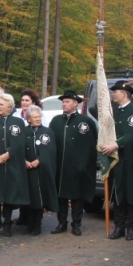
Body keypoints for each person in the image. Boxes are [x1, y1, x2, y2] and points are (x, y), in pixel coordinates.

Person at [49, 90, 98, 236]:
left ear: (76, 103)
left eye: (67, 101)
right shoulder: (56, 121)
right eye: (63, 102)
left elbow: (91, 145)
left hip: (78, 166)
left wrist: (84, 164)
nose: (64, 104)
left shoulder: (86, 122)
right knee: (61, 196)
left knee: (77, 197)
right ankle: (61, 222)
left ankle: (76, 224)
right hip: (60, 166)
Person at [0, 93, 29, 237]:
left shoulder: (18, 122)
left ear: (10, 106)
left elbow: (18, 143)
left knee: (9, 195)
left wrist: (7, 154)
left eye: (2, 104)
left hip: (12, 164)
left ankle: (7, 224)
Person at [104, 81, 133, 241]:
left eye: (116, 91)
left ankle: (131, 227)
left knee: (131, 192)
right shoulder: (113, 112)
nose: (113, 94)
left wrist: (115, 144)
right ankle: (119, 226)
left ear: (124, 93)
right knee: (118, 193)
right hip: (115, 159)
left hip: (131, 158)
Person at [22, 105, 58, 235]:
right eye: (35, 117)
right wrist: (24, 161)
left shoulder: (47, 132)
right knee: (29, 197)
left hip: (41, 170)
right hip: (27, 169)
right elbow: (18, 149)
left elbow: (50, 149)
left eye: (39, 116)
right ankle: (29, 223)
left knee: (39, 198)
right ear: (29, 119)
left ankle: (37, 224)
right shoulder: (24, 132)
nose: (38, 119)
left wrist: (39, 160)